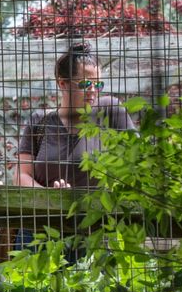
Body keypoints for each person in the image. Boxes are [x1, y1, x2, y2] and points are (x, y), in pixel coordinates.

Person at [12, 42, 137, 254]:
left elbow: (137, 157)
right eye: (85, 84)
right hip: (39, 231)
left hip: (92, 229)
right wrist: (49, 197)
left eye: (98, 85)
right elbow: (21, 175)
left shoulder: (110, 112)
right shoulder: (40, 121)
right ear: (63, 83)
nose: (93, 91)